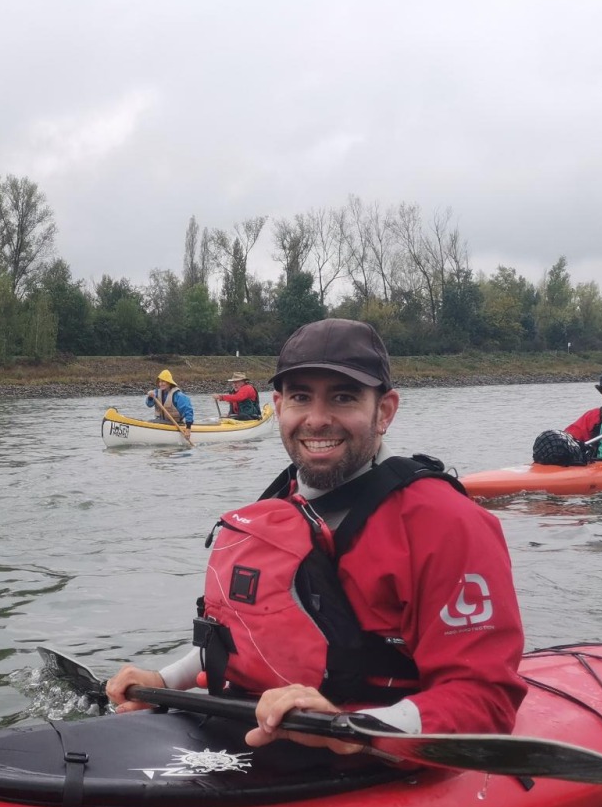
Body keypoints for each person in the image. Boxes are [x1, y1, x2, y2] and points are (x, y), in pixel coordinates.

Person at [105, 318, 526, 756]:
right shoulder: (279, 503)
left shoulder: (448, 523)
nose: (317, 419)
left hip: (373, 756)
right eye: (301, 397)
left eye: (343, 397)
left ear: (385, 411)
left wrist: (347, 728)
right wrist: (164, 680)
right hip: (257, 734)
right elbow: (249, 636)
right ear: (278, 406)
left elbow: (486, 701)